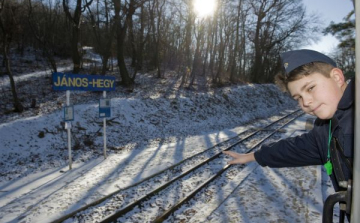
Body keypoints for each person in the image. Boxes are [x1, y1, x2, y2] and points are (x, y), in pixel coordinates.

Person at [223, 49, 354, 221]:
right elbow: (292, 149)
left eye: (310, 88)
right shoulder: (325, 129)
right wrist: (252, 156)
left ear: (337, 77)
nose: (305, 102)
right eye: (298, 97)